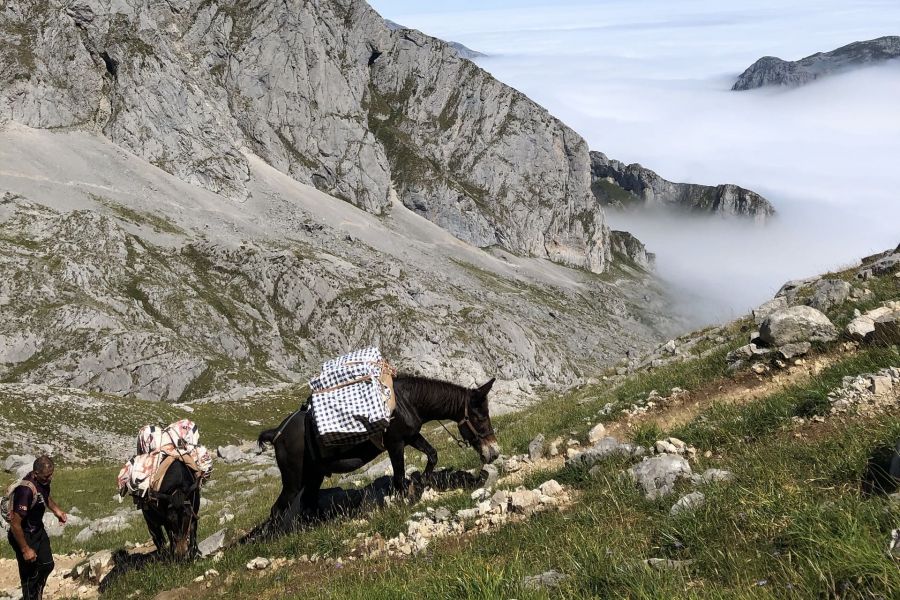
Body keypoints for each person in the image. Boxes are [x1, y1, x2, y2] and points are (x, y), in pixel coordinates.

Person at [6, 455, 67, 600]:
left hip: (37, 530)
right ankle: (31, 596)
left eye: (51, 475)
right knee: (30, 575)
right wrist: (25, 549)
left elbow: (44, 496)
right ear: (35, 473)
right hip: (24, 534)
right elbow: (15, 523)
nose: (49, 479)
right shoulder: (25, 491)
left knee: (47, 564)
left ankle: (38, 591)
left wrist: (57, 511)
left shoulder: (43, 482)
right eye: (46, 476)